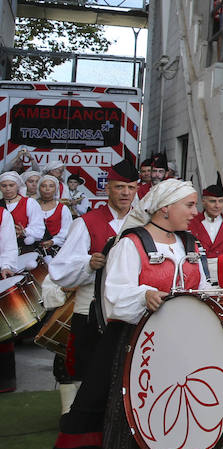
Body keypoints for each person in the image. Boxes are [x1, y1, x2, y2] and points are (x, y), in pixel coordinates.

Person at [24, 179, 223, 449]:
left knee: (180, 417)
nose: (194, 212)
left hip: (180, 345)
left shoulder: (190, 242)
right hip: (135, 347)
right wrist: (144, 295)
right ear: (165, 209)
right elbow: (115, 296)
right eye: (188, 205)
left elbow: (201, 285)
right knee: (135, 419)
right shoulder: (130, 244)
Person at [43, 158, 139, 412]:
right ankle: (80, 426)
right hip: (90, 312)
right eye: (119, 187)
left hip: (130, 312)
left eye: (130, 187)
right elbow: (59, 270)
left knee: (126, 372)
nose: (125, 193)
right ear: (108, 188)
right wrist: (88, 264)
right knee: (85, 372)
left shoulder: (143, 223)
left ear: (137, 189)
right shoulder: (86, 222)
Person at [188, 175, 223, 257]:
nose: (217, 206)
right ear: (203, 201)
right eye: (212, 201)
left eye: (220, 201)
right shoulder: (191, 221)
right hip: (197, 267)